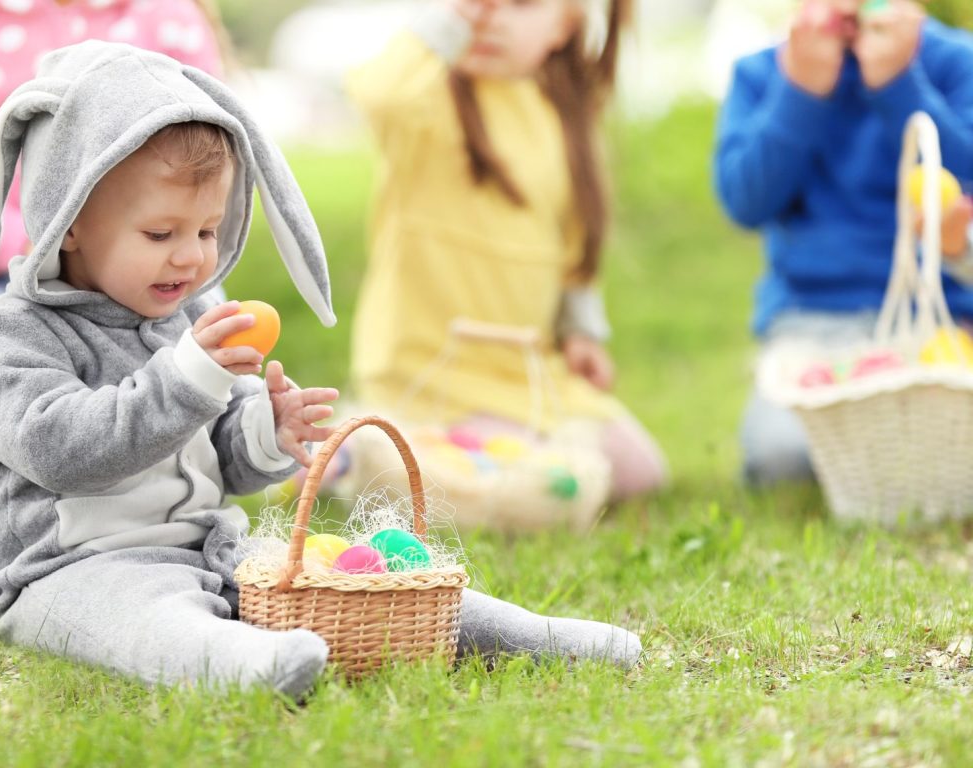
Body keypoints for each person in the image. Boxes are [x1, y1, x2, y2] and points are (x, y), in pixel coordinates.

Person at [0, 41, 642, 698]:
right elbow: (63, 453)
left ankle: (527, 635)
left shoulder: (186, 313)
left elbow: (218, 456)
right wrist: (186, 382)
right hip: (71, 571)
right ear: (67, 220)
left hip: (208, 550)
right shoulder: (10, 335)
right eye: (160, 234)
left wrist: (264, 431)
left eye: (207, 231)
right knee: (150, 621)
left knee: (347, 581)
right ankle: (240, 664)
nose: (190, 259)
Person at [344, 0, 667, 504]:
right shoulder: (428, 100)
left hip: (521, 373)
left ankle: (384, 448)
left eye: (518, 4)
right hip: (433, 374)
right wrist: (452, 21)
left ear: (566, 24)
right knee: (527, 483)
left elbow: (572, 241)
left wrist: (579, 329)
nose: (489, 16)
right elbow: (379, 94)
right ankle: (364, 451)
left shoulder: (559, 112)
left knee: (637, 470)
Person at [714, 0, 973, 486]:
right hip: (815, 326)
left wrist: (900, 86)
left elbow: (964, 181)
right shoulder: (762, 74)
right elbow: (745, 201)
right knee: (781, 457)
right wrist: (800, 92)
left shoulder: (954, 61)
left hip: (944, 320)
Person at [0, 0, 231, 388]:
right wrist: (29, 239)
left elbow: (214, 149)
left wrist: (261, 428)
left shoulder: (165, 14)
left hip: (168, 276)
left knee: (210, 406)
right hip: (1, 277)